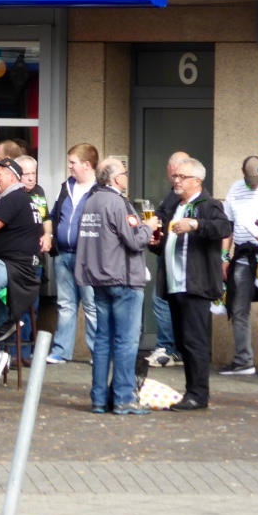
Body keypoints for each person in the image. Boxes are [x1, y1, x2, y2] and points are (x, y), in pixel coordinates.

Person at [75, 158, 159, 415]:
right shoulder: (118, 203)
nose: (126, 176)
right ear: (115, 179)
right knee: (126, 341)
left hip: (98, 279)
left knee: (102, 340)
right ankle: (123, 398)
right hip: (122, 278)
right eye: (124, 172)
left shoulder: (90, 202)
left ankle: (99, 398)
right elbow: (135, 241)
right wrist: (149, 227)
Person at [149, 157, 231, 411]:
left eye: (182, 177)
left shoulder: (208, 204)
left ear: (197, 180)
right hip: (175, 285)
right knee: (183, 342)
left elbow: (224, 227)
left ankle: (198, 395)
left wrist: (196, 224)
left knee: (196, 341)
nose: (176, 181)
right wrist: (157, 244)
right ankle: (191, 391)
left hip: (195, 285)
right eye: (175, 176)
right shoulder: (175, 205)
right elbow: (171, 243)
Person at [0, 158, 42, 376]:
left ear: (13, 176)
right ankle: (5, 326)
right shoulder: (25, 198)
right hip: (22, 267)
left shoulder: (12, 199)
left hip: (10, 265)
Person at [47, 144, 100, 364]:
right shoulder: (66, 187)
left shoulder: (100, 191)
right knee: (66, 305)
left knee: (91, 305)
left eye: (72, 163)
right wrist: (49, 234)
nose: (69, 167)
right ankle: (61, 351)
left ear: (87, 165)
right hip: (63, 255)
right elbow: (52, 215)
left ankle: (98, 352)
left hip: (88, 258)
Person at [219, 156, 258, 376]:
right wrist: (224, 256)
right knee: (238, 309)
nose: (255, 184)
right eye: (251, 180)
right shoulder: (235, 190)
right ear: (242, 173)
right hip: (242, 254)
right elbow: (228, 225)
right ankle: (243, 361)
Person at [147, 152, 190, 369]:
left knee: (161, 300)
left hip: (175, 258)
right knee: (165, 301)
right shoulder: (173, 195)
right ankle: (174, 349)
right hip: (167, 254)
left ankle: (167, 348)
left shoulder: (180, 197)